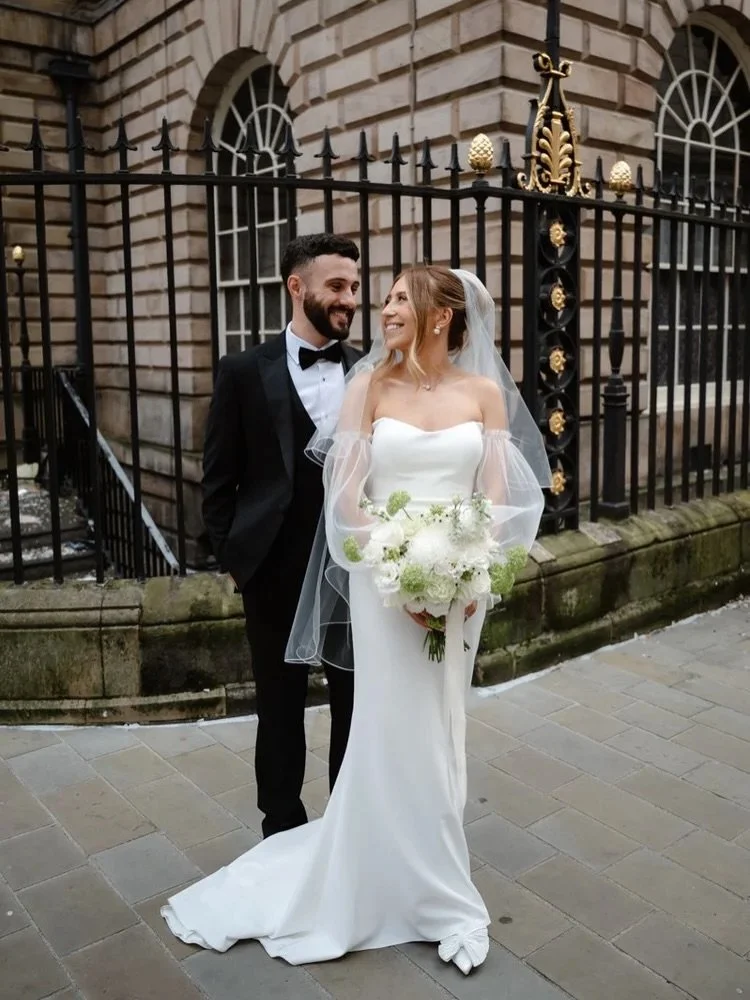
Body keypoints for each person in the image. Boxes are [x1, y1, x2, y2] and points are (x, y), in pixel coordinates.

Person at [163, 265, 549, 974]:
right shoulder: (366, 386)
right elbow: (344, 499)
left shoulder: (484, 394)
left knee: (438, 729)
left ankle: (434, 881)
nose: (386, 308)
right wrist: (401, 569)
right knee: (380, 722)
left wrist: (469, 571)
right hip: (382, 585)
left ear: (441, 315)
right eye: (388, 298)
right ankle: (367, 871)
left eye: (401, 298)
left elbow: (496, 499)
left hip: (457, 592)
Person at [200, 233, 361, 839]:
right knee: (279, 706)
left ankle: (346, 826)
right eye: (336, 286)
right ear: (297, 287)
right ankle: (283, 830)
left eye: (354, 286)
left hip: (352, 569)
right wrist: (236, 559)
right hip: (273, 568)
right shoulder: (243, 371)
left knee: (356, 702)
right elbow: (219, 477)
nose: (350, 298)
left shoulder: (368, 370)